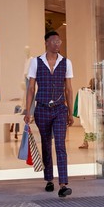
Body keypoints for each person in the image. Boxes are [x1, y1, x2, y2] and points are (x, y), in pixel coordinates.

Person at [24, 31, 74, 198]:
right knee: (46, 144)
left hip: (60, 109)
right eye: (54, 41)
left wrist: (70, 112)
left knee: (60, 145)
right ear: (46, 43)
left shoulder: (66, 62)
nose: (57, 44)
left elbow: (68, 88)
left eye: (59, 41)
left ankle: (63, 184)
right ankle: (49, 179)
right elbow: (31, 88)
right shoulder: (36, 62)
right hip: (42, 109)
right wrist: (27, 110)